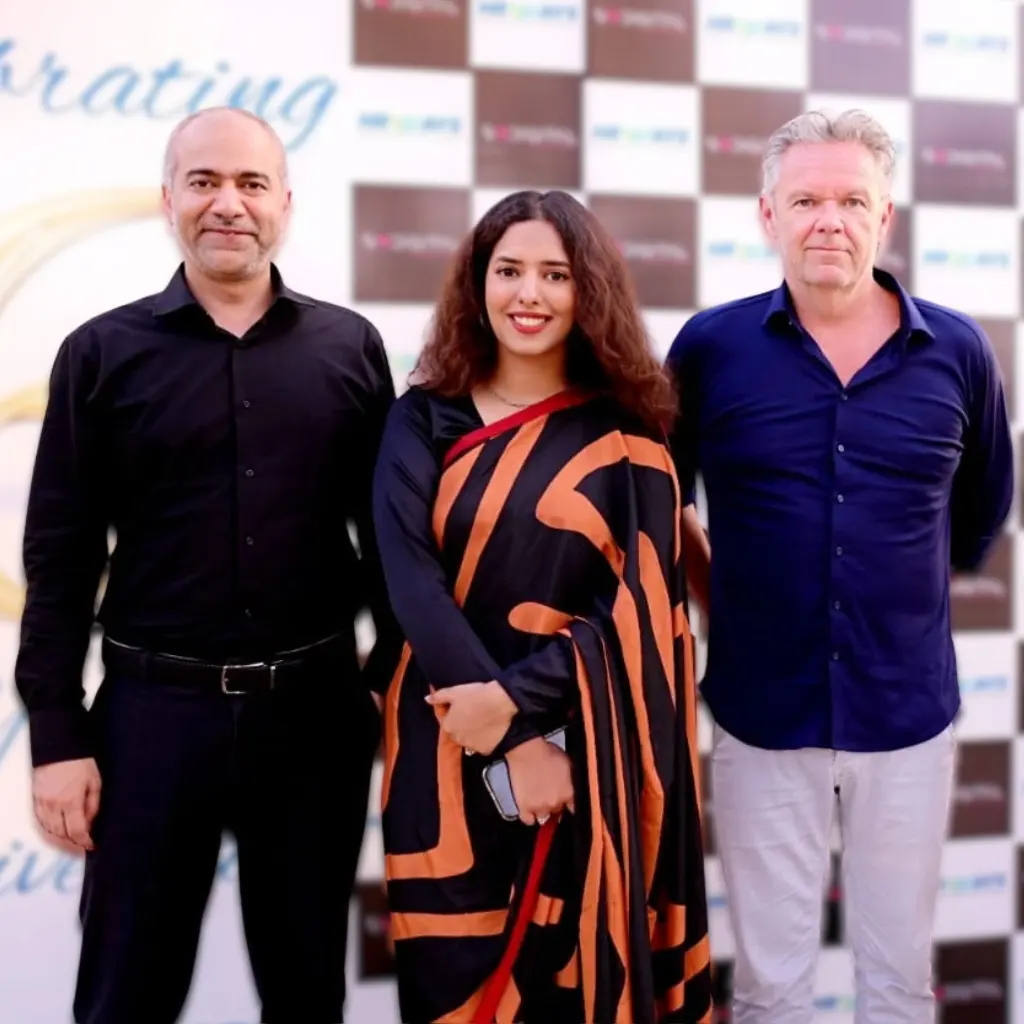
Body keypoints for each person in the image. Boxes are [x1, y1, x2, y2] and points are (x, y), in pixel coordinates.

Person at [14, 107, 398, 1024]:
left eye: (251, 184)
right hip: (151, 720)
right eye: (205, 182)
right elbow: (59, 560)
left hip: (312, 717)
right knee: (124, 993)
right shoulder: (101, 355)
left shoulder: (349, 350)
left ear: (285, 206)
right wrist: (58, 738)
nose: (229, 203)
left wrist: (383, 680)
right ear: (169, 201)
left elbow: (389, 542)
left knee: (306, 990)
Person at [666, 109, 1014, 1023]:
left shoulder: (960, 352)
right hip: (759, 711)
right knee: (770, 986)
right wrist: (725, 598)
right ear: (767, 215)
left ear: (884, 217)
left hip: (908, 717)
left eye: (852, 199)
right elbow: (660, 504)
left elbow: (979, 509)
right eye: (808, 198)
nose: (831, 219)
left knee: (897, 983)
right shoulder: (709, 348)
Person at [371, 189, 714, 1023]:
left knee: (575, 973)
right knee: (451, 971)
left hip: (591, 752)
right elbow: (407, 574)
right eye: (509, 271)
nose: (529, 294)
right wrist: (505, 733)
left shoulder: (631, 428)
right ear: (475, 285)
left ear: (587, 289)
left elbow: (641, 606)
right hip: (442, 737)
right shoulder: (424, 418)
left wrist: (526, 714)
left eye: (555, 274)